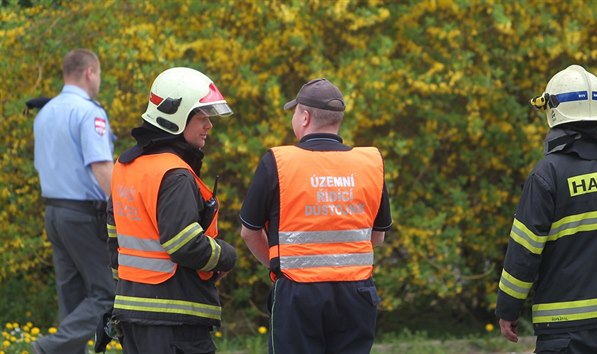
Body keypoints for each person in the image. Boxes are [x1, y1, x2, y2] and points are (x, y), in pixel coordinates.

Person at [240, 78, 393, 354]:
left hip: (297, 293)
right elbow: (378, 237)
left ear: (306, 117)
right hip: (356, 293)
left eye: (295, 112)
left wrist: (279, 266)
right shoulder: (370, 163)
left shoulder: (277, 162)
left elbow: (249, 232)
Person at [495, 65, 597, 353]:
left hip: (564, 326)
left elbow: (524, 252)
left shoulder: (548, 174)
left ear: (554, 112)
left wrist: (508, 308)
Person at [106, 67, 237, 354]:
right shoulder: (174, 173)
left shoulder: (126, 167)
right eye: (202, 118)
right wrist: (226, 256)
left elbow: (114, 241)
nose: (209, 126)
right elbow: (184, 244)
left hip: (133, 314)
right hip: (174, 318)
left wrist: (120, 297)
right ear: (177, 118)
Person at [32, 48, 115, 354]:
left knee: (73, 299)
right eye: (100, 74)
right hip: (82, 215)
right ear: (90, 72)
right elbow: (101, 166)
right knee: (107, 293)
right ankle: (48, 348)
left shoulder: (45, 112)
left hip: (53, 212)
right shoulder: (89, 112)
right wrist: (125, 207)